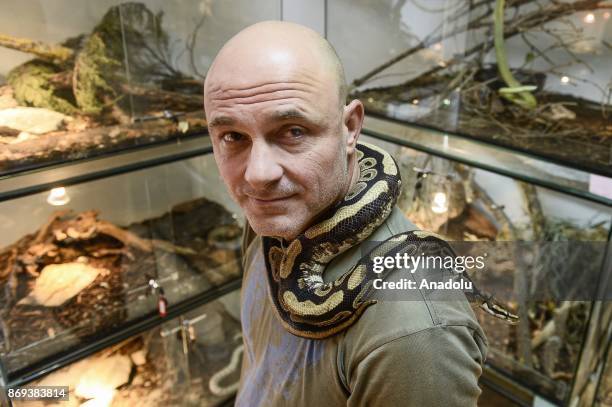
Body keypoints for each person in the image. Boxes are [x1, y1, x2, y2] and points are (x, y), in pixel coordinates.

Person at [204, 21, 487, 406]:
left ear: (350, 127)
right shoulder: (272, 219)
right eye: (232, 137)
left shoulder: (415, 337)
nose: (258, 175)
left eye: (293, 131)